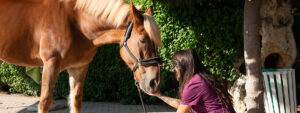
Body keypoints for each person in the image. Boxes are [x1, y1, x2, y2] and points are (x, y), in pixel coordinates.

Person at [147, 50, 236, 113]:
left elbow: (181, 111)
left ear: (181, 67)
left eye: (174, 67)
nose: (174, 71)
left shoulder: (194, 84)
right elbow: (183, 105)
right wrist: (159, 95)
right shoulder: (201, 78)